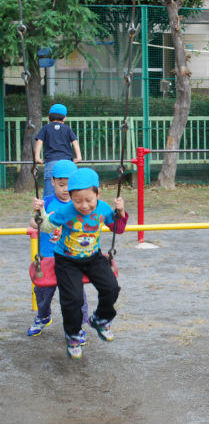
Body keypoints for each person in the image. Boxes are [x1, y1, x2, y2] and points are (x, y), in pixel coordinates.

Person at [33, 168, 128, 360]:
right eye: (77, 201)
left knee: (111, 288)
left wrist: (121, 211)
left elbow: (118, 228)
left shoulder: (102, 208)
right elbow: (46, 227)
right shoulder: (66, 211)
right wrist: (40, 211)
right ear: (71, 198)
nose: (83, 205)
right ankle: (73, 334)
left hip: (93, 256)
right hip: (66, 260)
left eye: (88, 200)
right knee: (73, 299)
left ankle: (100, 318)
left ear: (98, 194)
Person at [27, 160, 88, 344]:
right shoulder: (47, 202)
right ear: (52, 182)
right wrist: (38, 212)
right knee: (43, 293)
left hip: (71, 259)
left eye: (69, 185)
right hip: (48, 257)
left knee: (76, 296)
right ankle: (43, 316)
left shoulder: (80, 205)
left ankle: (77, 328)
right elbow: (33, 222)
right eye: (61, 184)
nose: (65, 189)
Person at [34, 103, 82, 197]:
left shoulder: (45, 128)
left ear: (48, 118)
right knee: (71, 189)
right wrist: (79, 157)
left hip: (51, 162)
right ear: (64, 118)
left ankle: (48, 210)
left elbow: (39, 141)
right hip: (67, 162)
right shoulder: (67, 128)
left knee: (50, 190)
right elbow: (75, 141)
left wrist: (37, 157)